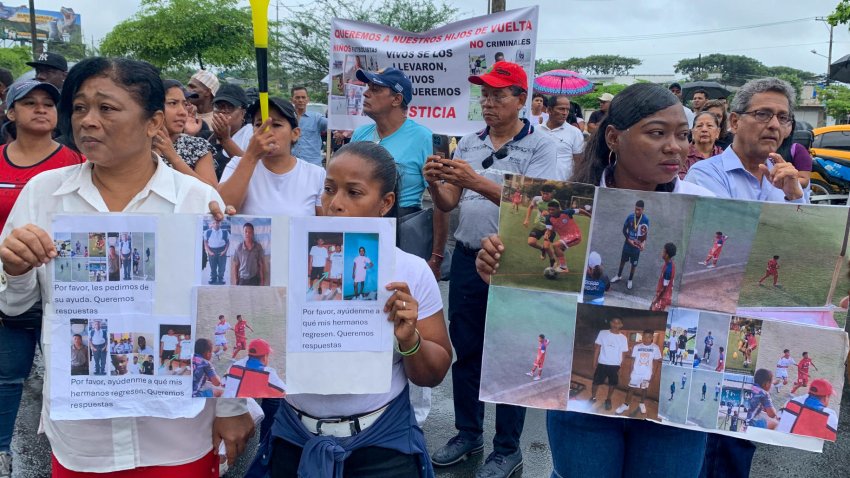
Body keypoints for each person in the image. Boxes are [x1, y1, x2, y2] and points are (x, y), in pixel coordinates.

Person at [475, 83, 712, 477]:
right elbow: (535, 302)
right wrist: (497, 275)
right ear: (614, 137)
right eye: (657, 133)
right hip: (580, 394)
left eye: (682, 134)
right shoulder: (572, 198)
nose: (675, 146)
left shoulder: (705, 202)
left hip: (671, 405)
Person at [261, 141, 452, 477]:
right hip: (295, 437)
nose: (335, 204)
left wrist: (410, 339)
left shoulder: (410, 270)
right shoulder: (286, 261)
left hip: (380, 445)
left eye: (354, 192)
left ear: (386, 203)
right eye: (329, 190)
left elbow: (433, 373)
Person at [425, 60, 556, 477]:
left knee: (511, 355)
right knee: (468, 350)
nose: (489, 102)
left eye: (499, 94)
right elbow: (449, 202)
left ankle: (507, 447)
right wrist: (435, 181)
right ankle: (468, 432)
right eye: (484, 94)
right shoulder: (468, 143)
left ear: (521, 99)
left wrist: (475, 179)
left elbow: (543, 210)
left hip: (513, 262)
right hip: (467, 258)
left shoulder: (542, 146)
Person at [350, 67, 448, 279]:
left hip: (404, 234)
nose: (366, 93)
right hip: (361, 231)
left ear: (396, 99)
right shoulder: (359, 135)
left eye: (375, 89)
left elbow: (442, 202)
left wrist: (436, 256)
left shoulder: (422, 138)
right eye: (367, 87)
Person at [684, 78, 805, 204]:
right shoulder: (705, 175)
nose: (775, 125)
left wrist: (795, 197)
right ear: (735, 122)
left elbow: (806, 223)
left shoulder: (787, 178)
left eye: (782, 117)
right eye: (762, 114)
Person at [219, 97, 324, 217]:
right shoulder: (237, 165)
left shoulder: (316, 175)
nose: (266, 131)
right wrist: (251, 156)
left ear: (295, 134)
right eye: (259, 125)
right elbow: (222, 208)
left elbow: (325, 226)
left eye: (276, 125)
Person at [0, 80, 84, 228]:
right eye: (30, 103)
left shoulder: (78, 162)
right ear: (11, 113)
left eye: (48, 104)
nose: (41, 109)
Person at [154, 79, 217, 186]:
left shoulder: (197, 146)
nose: (183, 112)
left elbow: (211, 193)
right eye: (173, 103)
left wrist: (173, 157)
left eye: (185, 104)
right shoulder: (136, 145)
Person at [209, 84, 252, 178]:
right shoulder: (206, 136)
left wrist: (225, 140)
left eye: (230, 107)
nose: (223, 111)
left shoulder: (250, 134)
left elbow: (250, 168)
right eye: (219, 106)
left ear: (243, 113)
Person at [615, 329, 661, 416]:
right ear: (642, 336)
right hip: (636, 373)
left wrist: (653, 374)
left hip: (646, 374)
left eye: (649, 337)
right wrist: (630, 371)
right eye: (644, 336)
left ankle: (642, 403)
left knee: (644, 389)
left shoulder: (655, 347)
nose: (646, 338)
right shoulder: (637, 347)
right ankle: (626, 404)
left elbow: (656, 362)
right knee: (631, 389)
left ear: (652, 337)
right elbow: (633, 360)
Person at [540, 95, 584, 180]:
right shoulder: (536, 130)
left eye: (567, 109)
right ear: (549, 110)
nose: (565, 113)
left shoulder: (575, 133)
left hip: (563, 185)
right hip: (537, 182)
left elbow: (579, 163)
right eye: (561, 109)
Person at [542, 200, 591, 273]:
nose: (551, 211)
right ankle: (560, 265)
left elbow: (580, 210)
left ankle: (563, 267)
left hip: (575, 236)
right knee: (557, 250)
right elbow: (549, 230)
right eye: (549, 209)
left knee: (555, 245)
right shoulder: (548, 218)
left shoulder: (567, 212)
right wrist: (546, 235)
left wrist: (591, 216)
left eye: (553, 209)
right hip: (565, 238)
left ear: (558, 209)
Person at [611, 200, 649, 291]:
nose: (637, 211)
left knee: (634, 265)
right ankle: (619, 275)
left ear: (643, 210)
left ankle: (630, 280)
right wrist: (629, 240)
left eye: (639, 210)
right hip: (627, 245)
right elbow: (624, 230)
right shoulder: (630, 217)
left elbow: (645, 234)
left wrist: (643, 243)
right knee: (622, 261)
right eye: (636, 209)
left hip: (636, 247)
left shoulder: (646, 220)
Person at [290, 86, 328, 167]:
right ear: (292, 100)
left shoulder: (316, 118)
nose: (300, 100)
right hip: (292, 165)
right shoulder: (287, 119)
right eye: (297, 97)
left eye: (303, 97)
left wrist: (334, 100)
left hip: (313, 165)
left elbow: (332, 124)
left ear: (307, 99)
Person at [680, 111, 723, 179]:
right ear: (692, 132)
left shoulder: (723, 156)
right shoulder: (682, 155)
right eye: (699, 126)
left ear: (718, 132)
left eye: (709, 126)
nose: (704, 129)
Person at [523, 184, 557, 265]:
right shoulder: (536, 199)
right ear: (541, 192)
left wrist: (549, 213)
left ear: (551, 194)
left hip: (550, 227)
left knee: (547, 247)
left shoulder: (555, 203)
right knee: (531, 242)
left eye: (547, 194)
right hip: (538, 225)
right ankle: (542, 249)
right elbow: (530, 207)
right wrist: (527, 219)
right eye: (543, 193)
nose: (544, 195)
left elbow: (559, 215)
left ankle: (552, 260)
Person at [776, 118, 813, 188]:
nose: (775, 125)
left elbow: (804, 180)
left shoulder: (797, 149)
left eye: (783, 119)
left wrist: (783, 181)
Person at [650, 242, 677, 312]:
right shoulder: (670, 264)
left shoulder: (668, 270)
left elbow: (664, 288)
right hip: (663, 295)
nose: (662, 252)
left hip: (662, 298)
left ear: (667, 255)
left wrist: (656, 300)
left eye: (663, 251)